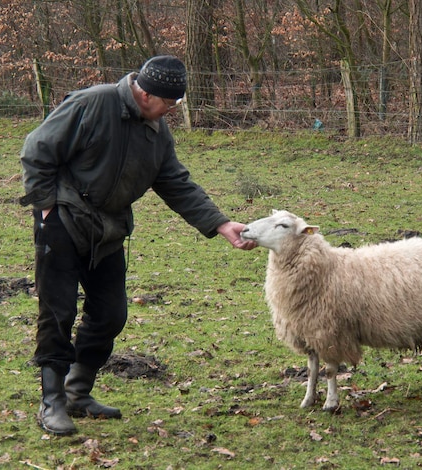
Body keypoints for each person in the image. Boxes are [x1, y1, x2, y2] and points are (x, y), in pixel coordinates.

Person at [20, 55, 256, 436]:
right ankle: (52, 402)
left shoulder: (156, 131)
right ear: (145, 94)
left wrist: (220, 224)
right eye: (169, 103)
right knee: (58, 313)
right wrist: (46, 205)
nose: (172, 111)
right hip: (62, 222)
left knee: (111, 313)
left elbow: (175, 182)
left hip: (109, 230)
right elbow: (37, 149)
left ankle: (78, 391)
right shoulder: (92, 104)